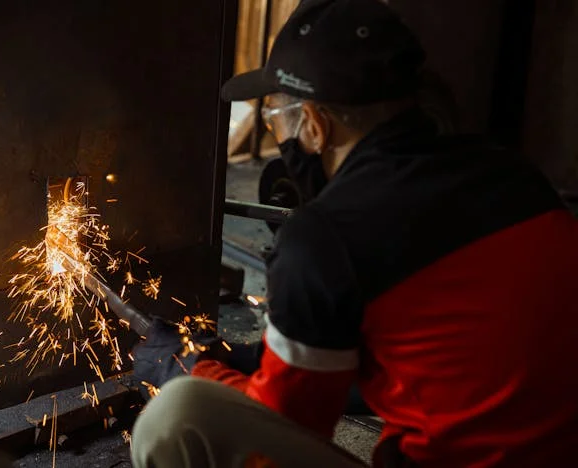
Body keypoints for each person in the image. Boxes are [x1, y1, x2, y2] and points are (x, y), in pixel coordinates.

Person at [130, 0, 578, 466]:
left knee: (179, 415)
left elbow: (279, 428)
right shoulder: (512, 173)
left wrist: (184, 368)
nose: (285, 140)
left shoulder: (325, 237)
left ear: (317, 125)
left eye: (280, 121)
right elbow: (440, 358)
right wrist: (248, 358)